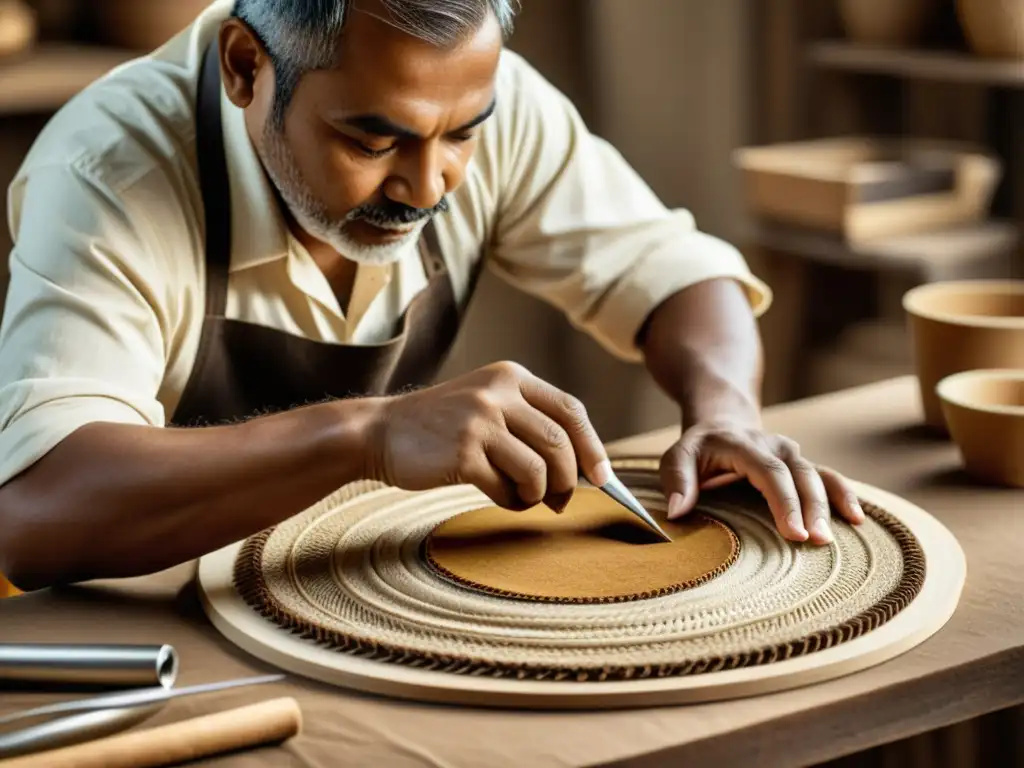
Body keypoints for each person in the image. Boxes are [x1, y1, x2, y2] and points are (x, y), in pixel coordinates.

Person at [0, 0, 864, 592]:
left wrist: (726, 410)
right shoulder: (112, 167)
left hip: (349, 581)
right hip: (148, 608)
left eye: (462, 136)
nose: (426, 184)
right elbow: (37, 511)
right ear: (243, 66)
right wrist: (365, 434)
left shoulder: (483, 103)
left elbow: (678, 274)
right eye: (371, 138)